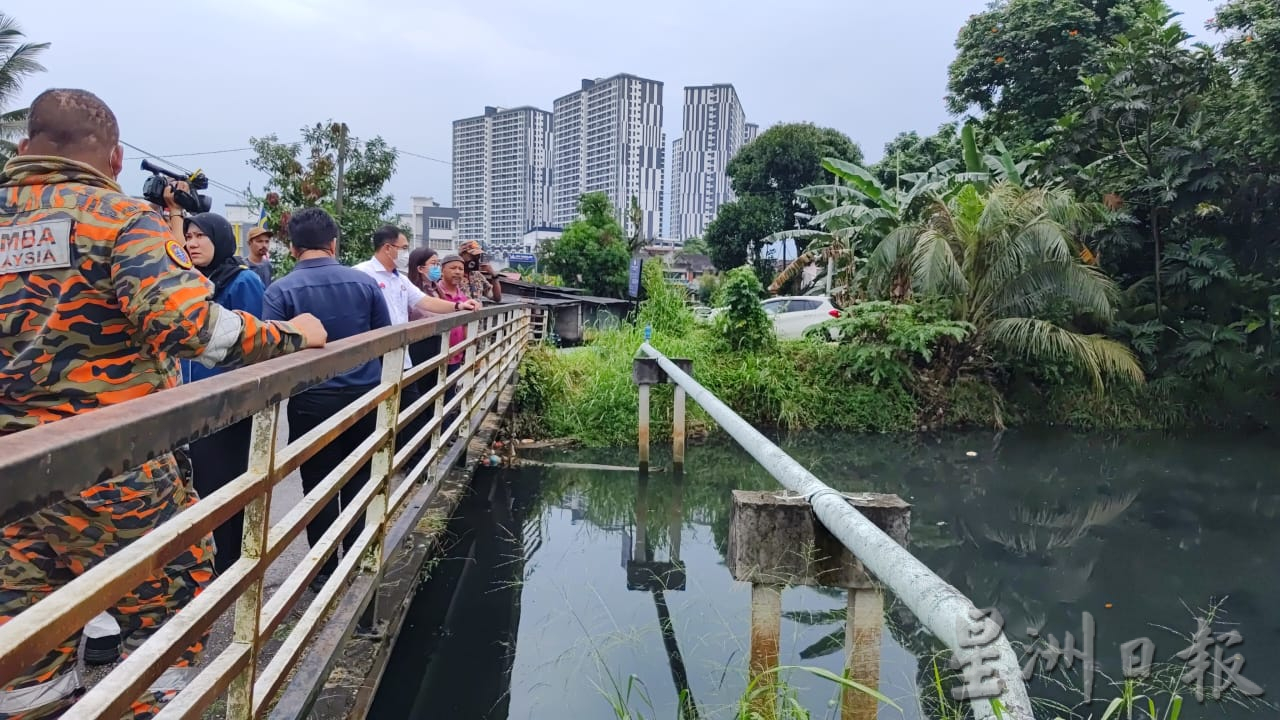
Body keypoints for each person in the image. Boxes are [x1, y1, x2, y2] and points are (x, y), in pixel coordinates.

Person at [0, 88, 326, 719]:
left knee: (26, 626)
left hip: (9, 472)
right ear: (117, 159)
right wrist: (293, 336)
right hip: (112, 470)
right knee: (164, 604)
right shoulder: (120, 219)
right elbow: (200, 333)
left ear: (22, 148)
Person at [262, 207, 392, 591]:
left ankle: (322, 570)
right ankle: (355, 557)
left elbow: (271, 351)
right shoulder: (365, 285)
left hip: (311, 400)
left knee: (317, 485)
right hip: (364, 396)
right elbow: (383, 340)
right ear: (334, 243)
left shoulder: (280, 290)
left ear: (292, 247)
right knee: (359, 477)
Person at [179, 212, 267, 576]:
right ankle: (209, 559)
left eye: (201, 236)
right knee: (198, 482)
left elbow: (251, 342)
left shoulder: (242, 280)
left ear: (220, 239)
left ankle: (229, 563)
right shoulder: (190, 282)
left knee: (224, 482)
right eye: (188, 236)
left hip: (228, 403)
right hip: (190, 402)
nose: (192, 243)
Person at [354, 227, 479, 462]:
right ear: (387, 248)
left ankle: (412, 461)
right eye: (403, 248)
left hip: (403, 357)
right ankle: (392, 461)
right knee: (379, 414)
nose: (405, 253)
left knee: (411, 410)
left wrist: (457, 307)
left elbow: (425, 302)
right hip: (374, 359)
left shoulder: (400, 280)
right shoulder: (361, 274)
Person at [405, 247, 443, 402]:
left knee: (433, 385)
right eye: (433, 263)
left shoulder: (436, 288)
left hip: (436, 339)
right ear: (420, 268)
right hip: (418, 342)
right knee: (420, 385)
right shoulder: (411, 289)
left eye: (438, 263)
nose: (437, 268)